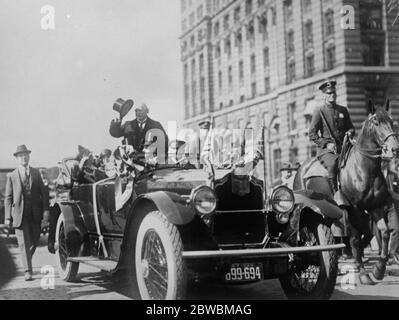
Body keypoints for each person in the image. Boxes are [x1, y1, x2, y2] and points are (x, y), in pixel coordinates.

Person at [4, 145, 49, 281]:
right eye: (21, 156)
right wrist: (7, 217)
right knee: (23, 242)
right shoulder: (12, 175)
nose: (24, 158)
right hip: (19, 214)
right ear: (17, 158)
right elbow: (8, 197)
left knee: (35, 240)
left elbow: (44, 193)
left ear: (29, 157)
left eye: (26, 155)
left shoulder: (36, 173)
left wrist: (46, 210)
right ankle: (27, 271)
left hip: (35, 214)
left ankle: (25, 259)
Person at [308, 80, 355, 193]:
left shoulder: (342, 110)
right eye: (329, 93)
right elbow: (312, 134)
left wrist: (349, 133)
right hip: (327, 151)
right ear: (324, 95)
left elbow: (351, 128)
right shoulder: (319, 111)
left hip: (344, 147)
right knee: (333, 164)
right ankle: (335, 193)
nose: (332, 95)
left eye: (333, 92)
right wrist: (326, 144)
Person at [376, 158, 399, 265]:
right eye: (382, 162)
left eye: (386, 162)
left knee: (396, 228)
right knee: (380, 230)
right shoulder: (374, 176)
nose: (384, 164)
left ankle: (392, 254)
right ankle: (382, 253)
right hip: (377, 206)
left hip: (391, 205)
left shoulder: (393, 175)